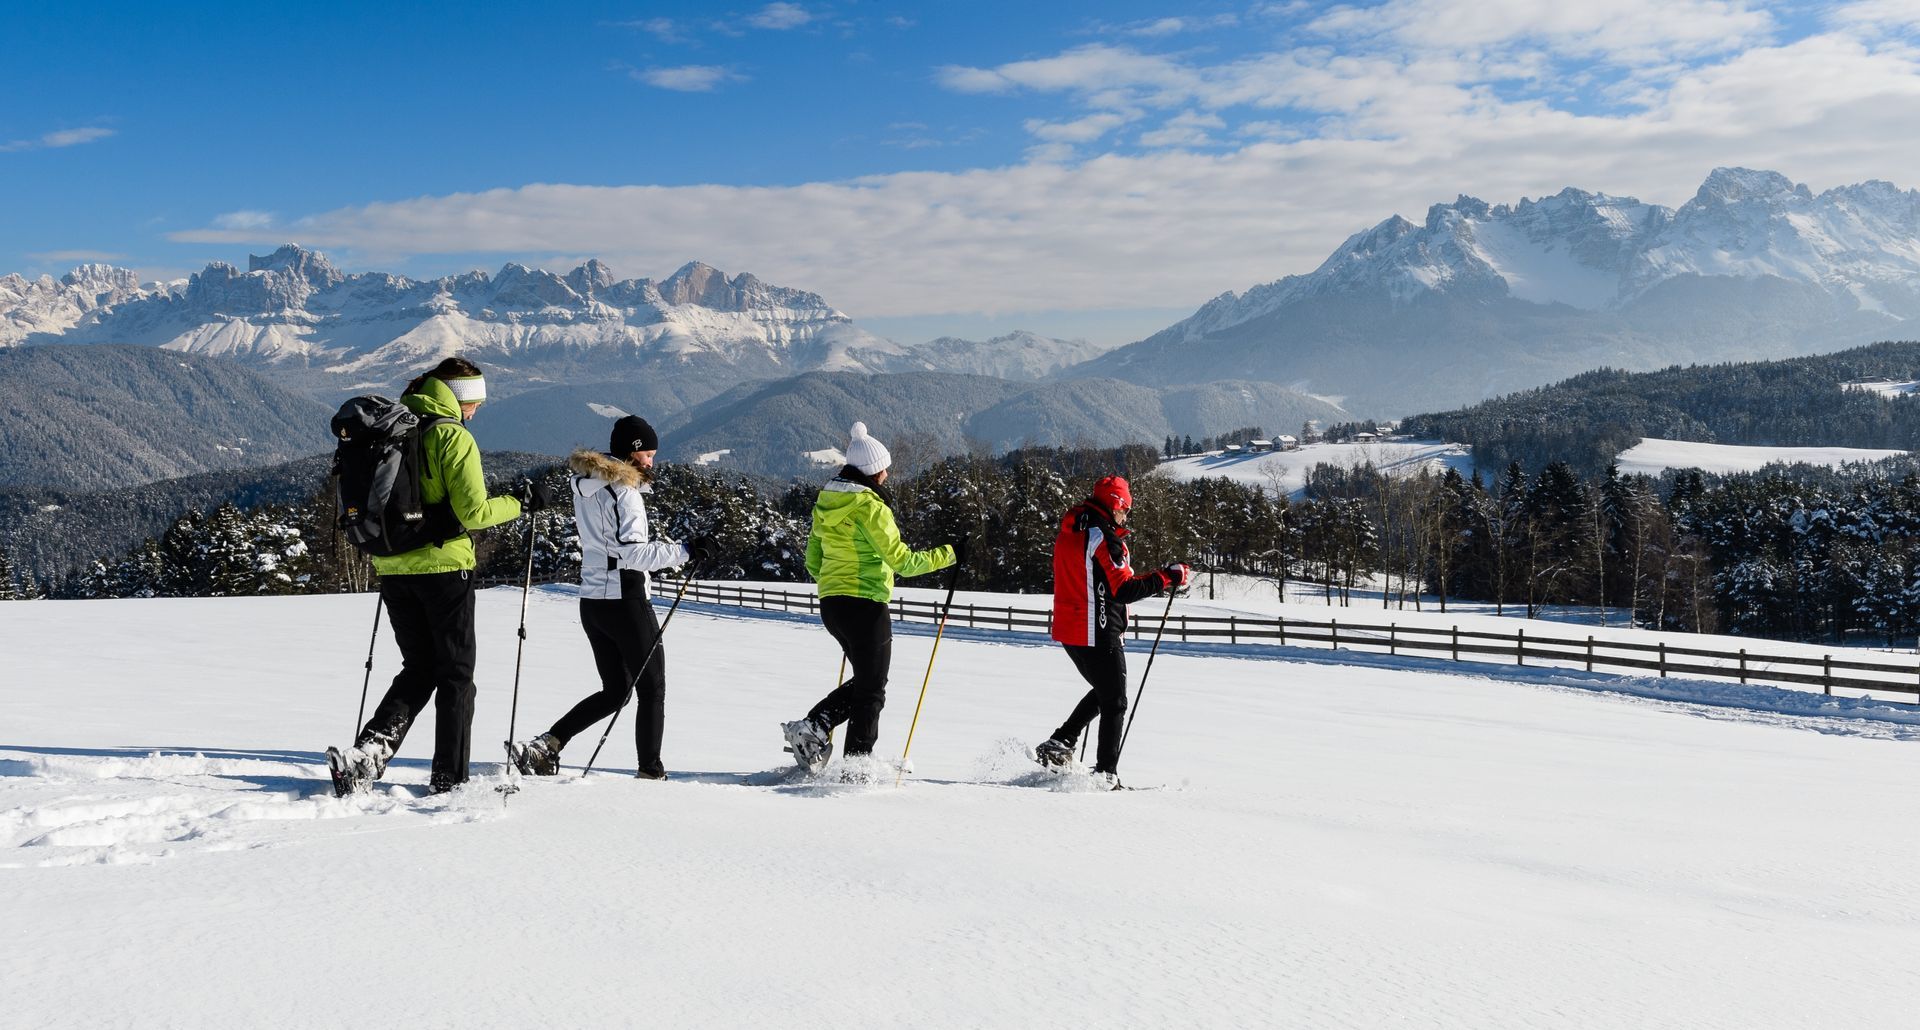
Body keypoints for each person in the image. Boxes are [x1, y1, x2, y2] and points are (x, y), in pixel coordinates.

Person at [328, 357, 523, 794]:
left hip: (392, 567)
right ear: (458, 396)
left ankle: (365, 758)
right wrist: (521, 503)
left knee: (418, 668)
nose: (476, 411)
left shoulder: (397, 426)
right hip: (444, 569)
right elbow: (475, 512)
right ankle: (449, 780)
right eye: (474, 402)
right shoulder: (451, 436)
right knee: (456, 674)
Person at [511, 415, 708, 779]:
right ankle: (651, 771)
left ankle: (547, 745)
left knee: (616, 691)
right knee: (652, 688)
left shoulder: (588, 484)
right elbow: (633, 554)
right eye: (648, 454)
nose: (652, 462)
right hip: (626, 600)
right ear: (632, 453)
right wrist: (686, 550)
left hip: (593, 602)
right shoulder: (624, 494)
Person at [782, 422, 957, 773]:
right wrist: (952, 554)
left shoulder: (826, 502)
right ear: (872, 472)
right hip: (866, 606)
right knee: (872, 689)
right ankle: (856, 766)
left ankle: (815, 728)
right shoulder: (871, 508)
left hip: (832, 605)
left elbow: (813, 561)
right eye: (884, 468)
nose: (888, 473)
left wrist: (838, 579)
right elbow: (903, 562)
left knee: (868, 681)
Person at [1034, 475, 1189, 787]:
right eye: (1126, 509)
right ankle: (1106, 775)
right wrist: (1168, 577)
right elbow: (1122, 589)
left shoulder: (1073, 527)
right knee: (1115, 700)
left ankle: (1061, 742)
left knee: (1106, 691)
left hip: (1071, 627)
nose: (1125, 516)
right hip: (1097, 629)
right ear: (1116, 504)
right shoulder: (1103, 537)